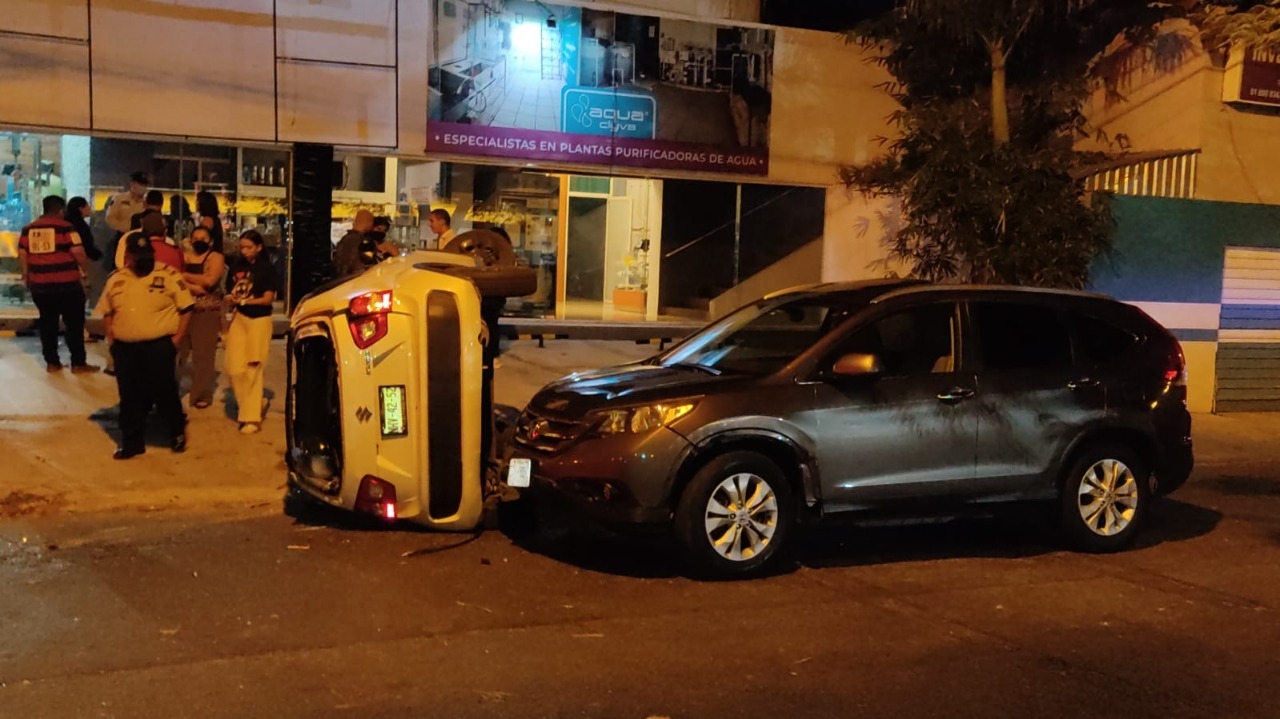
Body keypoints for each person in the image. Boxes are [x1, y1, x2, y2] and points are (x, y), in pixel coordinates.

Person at [96, 232, 194, 459]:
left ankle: (176, 433)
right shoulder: (116, 278)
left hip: (158, 346)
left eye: (147, 255)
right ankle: (132, 442)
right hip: (126, 348)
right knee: (130, 396)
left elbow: (186, 308)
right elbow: (107, 310)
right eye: (138, 256)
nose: (143, 260)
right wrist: (112, 337)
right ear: (128, 256)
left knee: (165, 392)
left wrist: (177, 340)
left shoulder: (168, 275)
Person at [19, 195, 97, 373]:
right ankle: (78, 363)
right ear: (61, 210)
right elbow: (78, 252)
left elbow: (23, 254)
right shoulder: (67, 228)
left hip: (40, 285)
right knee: (74, 324)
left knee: (47, 323)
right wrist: (84, 272)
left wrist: (26, 276)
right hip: (67, 284)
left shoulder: (27, 230)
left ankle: (52, 362)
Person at [224, 229, 278, 435]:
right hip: (240, 317)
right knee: (234, 366)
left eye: (249, 247)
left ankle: (251, 417)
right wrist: (232, 303)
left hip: (259, 319)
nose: (244, 251)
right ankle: (252, 403)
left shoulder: (267, 269)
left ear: (259, 247)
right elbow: (231, 290)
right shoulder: (237, 267)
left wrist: (245, 300)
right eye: (242, 247)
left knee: (253, 367)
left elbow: (267, 299)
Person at [179, 226, 226, 410]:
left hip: (206, 312)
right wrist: (194, 286)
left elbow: (210, 281)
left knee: (203, 356)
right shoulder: (184, 256)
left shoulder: (215, 258)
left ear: (211, 241)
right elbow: (175, 278)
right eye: (195, 237)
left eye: (203, 238)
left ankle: (201, 395)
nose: (199, 240)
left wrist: (185, 277)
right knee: (177, 354)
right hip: (183, 310)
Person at [104, 172, 149, 268]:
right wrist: (124, 228)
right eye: (140, 184)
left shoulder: (147, 202)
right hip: (122, 237)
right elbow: (110, 218)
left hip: (140, 239)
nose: (143, 187)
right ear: (132, 184)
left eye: (145, 185)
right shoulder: (119, 199)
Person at [332, 209, 375, 278]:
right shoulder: (365, 241)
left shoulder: (344, 240)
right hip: (358, 281)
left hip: (341, 282)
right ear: (369, 223)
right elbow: (368, 265)